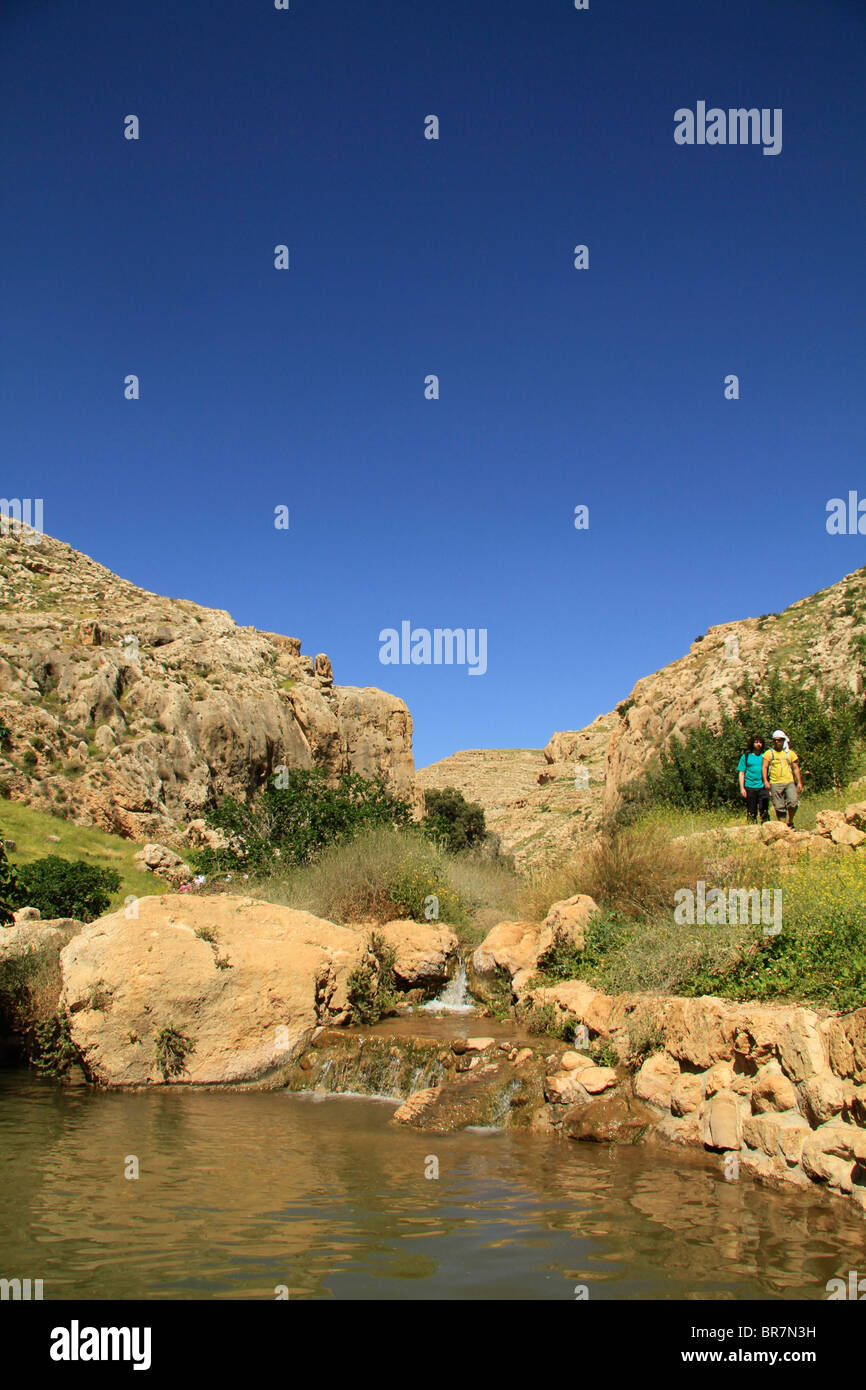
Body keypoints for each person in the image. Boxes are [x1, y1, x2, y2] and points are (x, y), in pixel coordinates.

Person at [762, 729, 804, 826]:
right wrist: (765, 781)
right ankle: (783, 826)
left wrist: (799, 782)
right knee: (779, 806)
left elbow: (795, 768)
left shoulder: (790, 754)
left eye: (780, 740)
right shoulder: (769, 754)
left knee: (793, 802)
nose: (777, 742)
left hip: (789, 781)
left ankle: (790, 821)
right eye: (775, 740)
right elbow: (764, 767)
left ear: (784, 740)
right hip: (775, 782)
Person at [737, 735, 770, 823]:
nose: (758, 744)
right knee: (751, 811)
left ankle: (766, 828)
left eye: (760, 742)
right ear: (752, 743)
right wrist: (742, 788)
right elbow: (741, 773)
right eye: (756, 742)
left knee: (764, 811)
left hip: (763, 786)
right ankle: (752, 830)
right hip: (750, 787)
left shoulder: (765, 756)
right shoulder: (746, 756)